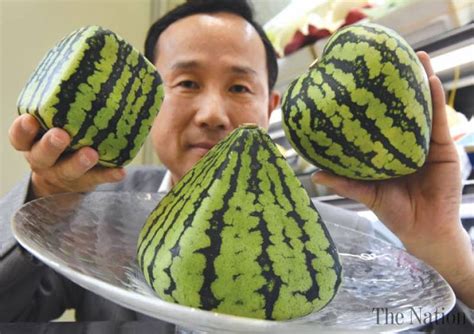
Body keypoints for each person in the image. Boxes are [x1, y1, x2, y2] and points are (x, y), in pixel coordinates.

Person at [1, 0, 472, 330]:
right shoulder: (89, 215)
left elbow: (431, 326)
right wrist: (46, 196)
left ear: (271, 105)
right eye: (186, 83)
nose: (212, 114)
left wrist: (441, 244)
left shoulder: (356, 247)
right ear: (149, 102)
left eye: (240, 88)